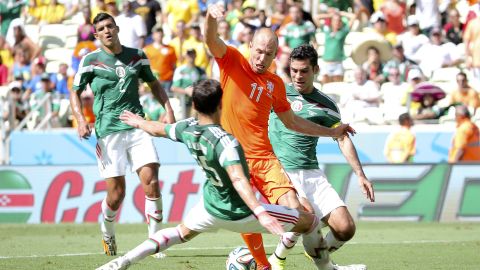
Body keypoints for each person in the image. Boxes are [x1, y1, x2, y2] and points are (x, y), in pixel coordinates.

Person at [95, 79, 334, 270]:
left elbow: (159, 129)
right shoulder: (226, 142)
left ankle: (122, 262)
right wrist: (260, 211)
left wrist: (138, 122)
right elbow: (239, 179)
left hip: (209, 207)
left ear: (195, 107)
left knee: (179, 233)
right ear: (222, 104)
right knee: (310, 221)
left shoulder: (187, 127)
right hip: (240, 213)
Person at [204, 4, 355, 270]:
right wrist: (210, 17)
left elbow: (293, 121)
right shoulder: (232, 61)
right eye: (259, 51)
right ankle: (263, 265)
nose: (262, 58)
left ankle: (297, 259)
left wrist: (332, 132)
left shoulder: (274, 84)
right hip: (232, 156)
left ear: (275, 55)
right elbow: (211, 40)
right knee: (245, 212)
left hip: (264, 159)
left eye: (269, 54)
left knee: (300, 212)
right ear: (250, 46)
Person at [70, 13, 175, 257]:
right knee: (117, 195)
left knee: (151, 181)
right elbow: (74, 92)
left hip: (138, 126)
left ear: (117, 29)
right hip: (108, 132)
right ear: (96, 35)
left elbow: (154, 84)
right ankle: (107, 229)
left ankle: (155, 241)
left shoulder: (137, 56)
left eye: (110, 26)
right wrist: (80, 120)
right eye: (101, 29)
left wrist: (168, 109)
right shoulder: (91, 60)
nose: (107, 31)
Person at [268, 44, 375, 270]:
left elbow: (342, 138)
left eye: (304, 70)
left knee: (345, 228)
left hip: (311, 173)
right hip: (282, 171)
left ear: (315, 70)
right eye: (294, 70)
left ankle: (318, 253)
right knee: (305, 213)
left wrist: (360, 174)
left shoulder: (326, 105)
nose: (297, 76)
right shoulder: (278, 92)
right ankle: (278, 258)